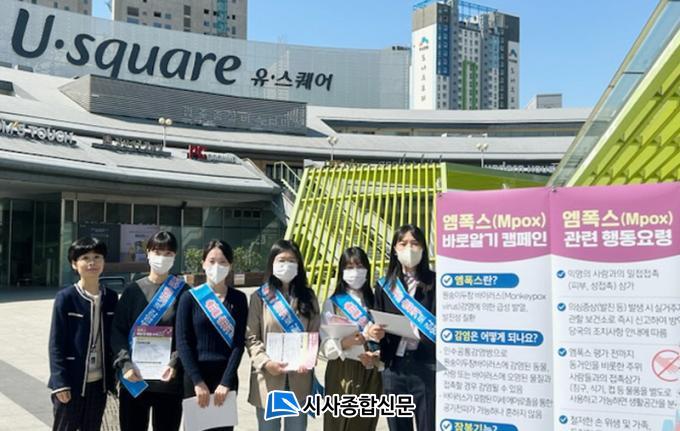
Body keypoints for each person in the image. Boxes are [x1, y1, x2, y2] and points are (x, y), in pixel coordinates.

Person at [111, 231, 188, 431]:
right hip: (134, 381)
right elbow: (118, 331)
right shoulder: (133, 291)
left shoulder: (184, 292)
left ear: (175, 256)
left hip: (169, 382)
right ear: (147, 253)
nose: (162, 257)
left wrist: (175, 363)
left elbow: (187, 336)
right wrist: (125, 364)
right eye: (157, 252)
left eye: (168, 253)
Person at [246, 239, 321, 431]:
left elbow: (315, 333)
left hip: (299, 380)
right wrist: (266, 363)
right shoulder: (259, 297)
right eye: (281, 260)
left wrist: (308, 359)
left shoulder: (308, 297)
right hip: (269, 379)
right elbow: (251, 338)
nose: (286, 265)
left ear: (299, 265)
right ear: (272, 263)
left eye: (292, 261)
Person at [176, 240, 248, 431]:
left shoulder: (239, 299)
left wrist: (226, 382)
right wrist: (197, 381)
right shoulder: (189, 298)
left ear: (230, 265)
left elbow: (238, 343)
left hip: (225, 379)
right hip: (195, 379)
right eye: (212, 261)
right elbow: (183, 343)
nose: (217, 266)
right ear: (203, 264)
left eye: (223, 262)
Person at [48, 237, 119, 431]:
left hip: (99, 384)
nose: (92, 262)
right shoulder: (66, 298)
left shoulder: (111, 298)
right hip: (71, 382)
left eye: (97, 257)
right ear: (74, 263)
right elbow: (56, 343)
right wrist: (60, 382)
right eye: (85, 258)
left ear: (104, 262)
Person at [373, 225, 436, 431]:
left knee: (428, 424)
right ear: (394, 249)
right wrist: (375, 333)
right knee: (398, 426)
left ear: (423, 249)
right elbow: (376, 320)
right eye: (403, 243)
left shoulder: (435, 283)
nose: (409, 248)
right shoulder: (384, 285)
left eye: (415, 243)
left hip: (425, 365)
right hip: (393, 367)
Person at [320, 246, 383, 431]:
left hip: (371, 369)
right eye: (349, 267)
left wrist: (377, 355)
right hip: (342, 370)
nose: (355, 271)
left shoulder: (376, 301)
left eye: (360, 266)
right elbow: (325, 346)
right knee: (338, 423)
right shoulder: (332, 303)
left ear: (367, 270)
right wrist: (345, 343)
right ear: (341, 271)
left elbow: (389, 337)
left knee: (365, 424)